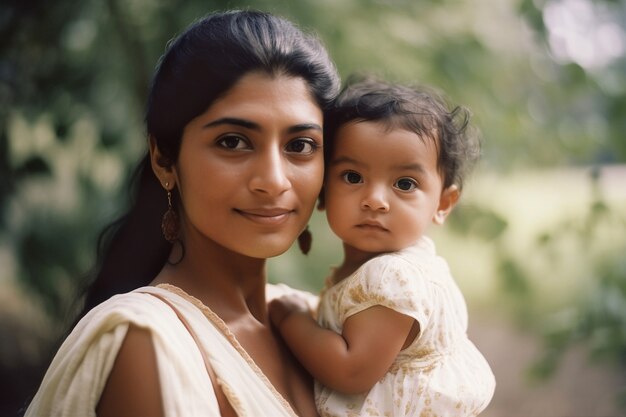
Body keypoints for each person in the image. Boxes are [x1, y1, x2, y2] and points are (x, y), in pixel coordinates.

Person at [25, 9, 340, 417]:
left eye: (299, 146)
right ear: (164, 159)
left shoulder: (323, 324)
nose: (274, 181)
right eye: (233, 141)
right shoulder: (148, 344)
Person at [269, 78, 496, 416]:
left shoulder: (393, 276)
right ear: (322, 188)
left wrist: (290, 317)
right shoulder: (393, 268)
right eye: (352, 177)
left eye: (405, 184)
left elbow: (351, 371)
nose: (375, 200)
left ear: (443, 203)